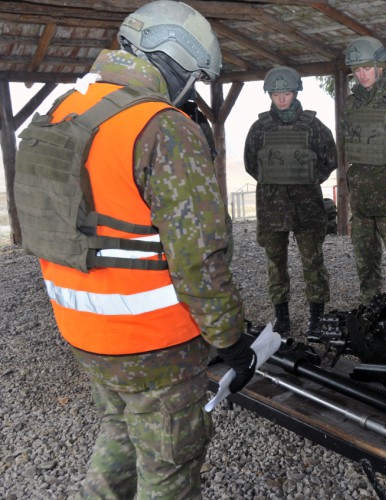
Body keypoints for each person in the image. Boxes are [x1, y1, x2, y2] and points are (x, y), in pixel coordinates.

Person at [14, 1, 257, 497]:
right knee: (168, 468)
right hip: (155, 344)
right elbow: (199, 259)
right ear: (174, 61)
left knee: (120, 434)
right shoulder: (161, 126)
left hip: (84, 332)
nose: (188, 92)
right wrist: (232, 340)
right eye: (192, 78)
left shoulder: (64, 110)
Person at [244, 65, 337, 337]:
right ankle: (282, 319)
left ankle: (316, 320)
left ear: (295, 92)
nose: (281, 99)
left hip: (307, 209)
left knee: (313, 263)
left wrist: (307, 179)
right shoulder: (259, 128)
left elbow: (330, 159)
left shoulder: (313, 126)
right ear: (269, 95)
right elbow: (252, 164)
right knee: (276, 265)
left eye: (286, 93)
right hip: (272, 210)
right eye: (276, 94)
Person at [341, 36, 386, 321]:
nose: (361, 74)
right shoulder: (351, 105)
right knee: (365, 265)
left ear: (381, 66)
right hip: (361, 204)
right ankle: (372, 316)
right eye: (357, 69)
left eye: (367, 67)